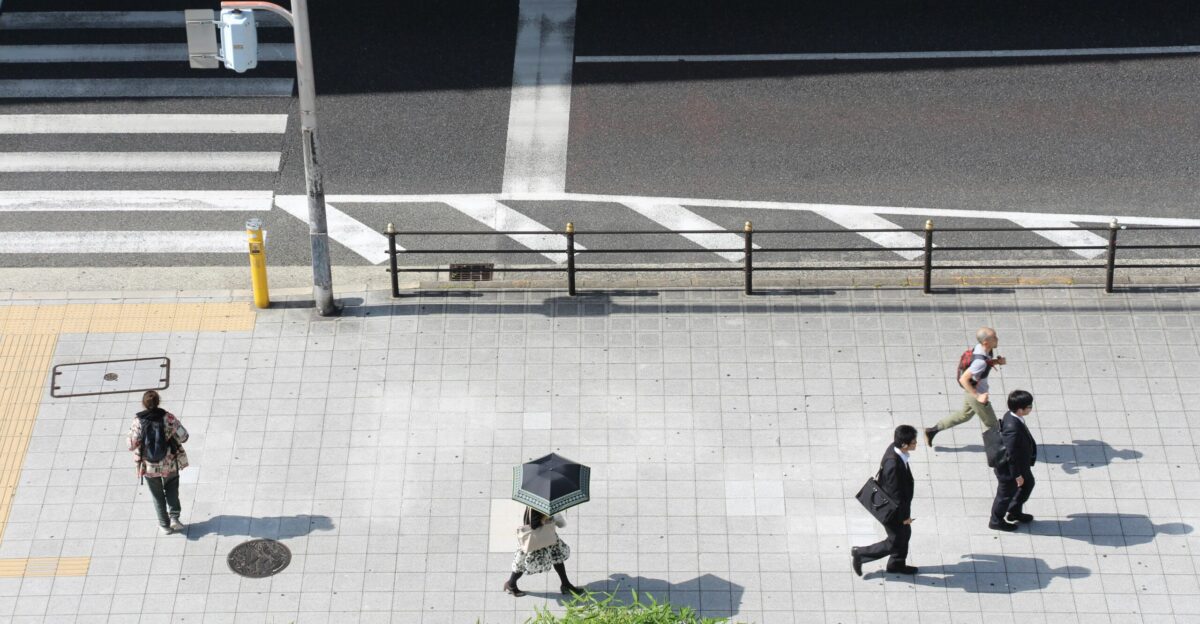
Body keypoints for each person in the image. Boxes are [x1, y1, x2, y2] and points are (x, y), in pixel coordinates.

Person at [852, 425, 919, 576]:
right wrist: (905, 518)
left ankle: (896, 564)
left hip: (897, 508)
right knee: (895, 541)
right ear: (904, 444)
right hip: (893, 512)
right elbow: (897, 497)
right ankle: (861, 554)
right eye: (914, 442)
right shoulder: (893, 465)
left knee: (904, 535)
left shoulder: (895, 449)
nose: (916, 444)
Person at [925, 327, 1007, 446]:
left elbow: (985, 363)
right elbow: (963, 379)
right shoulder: (980, 361)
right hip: (976, 393)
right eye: (994, 337)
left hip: (973, 392)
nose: (997, 339)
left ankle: (932, 431)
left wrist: (997, 362)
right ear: (986, 342)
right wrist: (978, 396)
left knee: (964, 415)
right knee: (992, 424)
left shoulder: (983, 349)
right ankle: (999, 452)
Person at [127, 390, 189, 534]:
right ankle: (175, 518)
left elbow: (131, 445)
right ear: (158, 402)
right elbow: (184, 436)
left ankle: (164, 525)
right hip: (169, 461)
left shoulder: (138, 421)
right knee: (172, 488)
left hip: (149, 465)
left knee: (157, 494)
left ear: (144, 404)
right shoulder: (168, 418)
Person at [504, 507, 583, 597]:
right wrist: (545, 517)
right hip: (537, 540)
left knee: (557, 558)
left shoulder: (542, 503)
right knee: (521, 564)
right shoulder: (536, 506)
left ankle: (565, 584)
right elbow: (533, 524)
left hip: (547, 537)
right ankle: (511, 584)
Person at [990, 390, 1038, 532]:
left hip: (1020, 466)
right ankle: (996, 521)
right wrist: (1017, 475)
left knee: (1028, 484)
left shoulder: (1012, 416)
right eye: (1029, 406)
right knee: (1004, 495)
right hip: (1010, 470)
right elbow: (1010, 455)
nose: (1031, 408)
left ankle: (1014, 511)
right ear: (1020, 409)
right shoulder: (1013, 429)